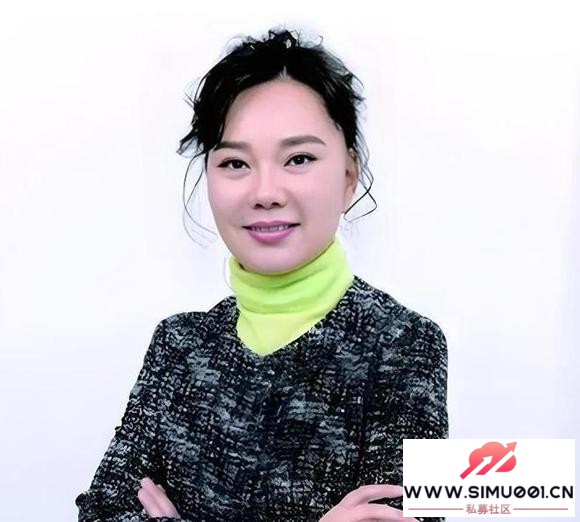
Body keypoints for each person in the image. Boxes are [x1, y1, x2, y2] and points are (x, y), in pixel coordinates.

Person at [75, 27, 448, 522]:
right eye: (235, 163)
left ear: (348, 175)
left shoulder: (404, 344)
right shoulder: (179, 346)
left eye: (299, 158)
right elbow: (101, 512)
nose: (265, 192)